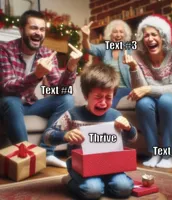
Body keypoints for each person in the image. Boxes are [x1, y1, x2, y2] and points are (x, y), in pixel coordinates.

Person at [0, 10, 82, 168]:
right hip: (6, 104)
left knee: (66, 99)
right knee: (11, 101)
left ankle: (47, 153)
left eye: (42, 29)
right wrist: (36, 75)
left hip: (29, 105)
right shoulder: (5, 50)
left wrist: (71, 69)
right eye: (33, 28)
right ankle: (25, 159)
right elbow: (7, 87)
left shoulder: (46, 53)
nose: (38, 33)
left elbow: (59, 88)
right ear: (21, 30)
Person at [43, 63, 137, 199]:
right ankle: (69, 180)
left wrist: (129, 128)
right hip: (80, 166)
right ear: (87, 96)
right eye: (98, 97)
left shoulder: (115, 115)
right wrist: (65, 135)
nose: (103, 103)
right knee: (93, 191)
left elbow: (132, 138)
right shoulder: (73, 114)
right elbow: (47, 137)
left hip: (110, 164)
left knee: (124, 188)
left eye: (109, 98)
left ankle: (103, 183)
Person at [124, 14, 172, 168]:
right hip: (151, 99)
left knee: (165, 99)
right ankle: (155, 153)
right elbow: (139, 88)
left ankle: (167, 156)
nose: (150, 39)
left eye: (154, 34)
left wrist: (148, 89)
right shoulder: (137, 55)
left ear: (162, 37)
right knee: (143, 103)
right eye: (146, 35)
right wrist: (133, 68)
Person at [81, 19, 133, 108]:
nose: (118, 35)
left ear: (125, 35)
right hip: (107, 87)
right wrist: (85, 37)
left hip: (125, 88)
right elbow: (89, 48)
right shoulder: (105, 48)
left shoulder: (130, 48)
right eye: (115, 32)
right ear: (110, 34)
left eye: (121, 32)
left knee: (107, 101)